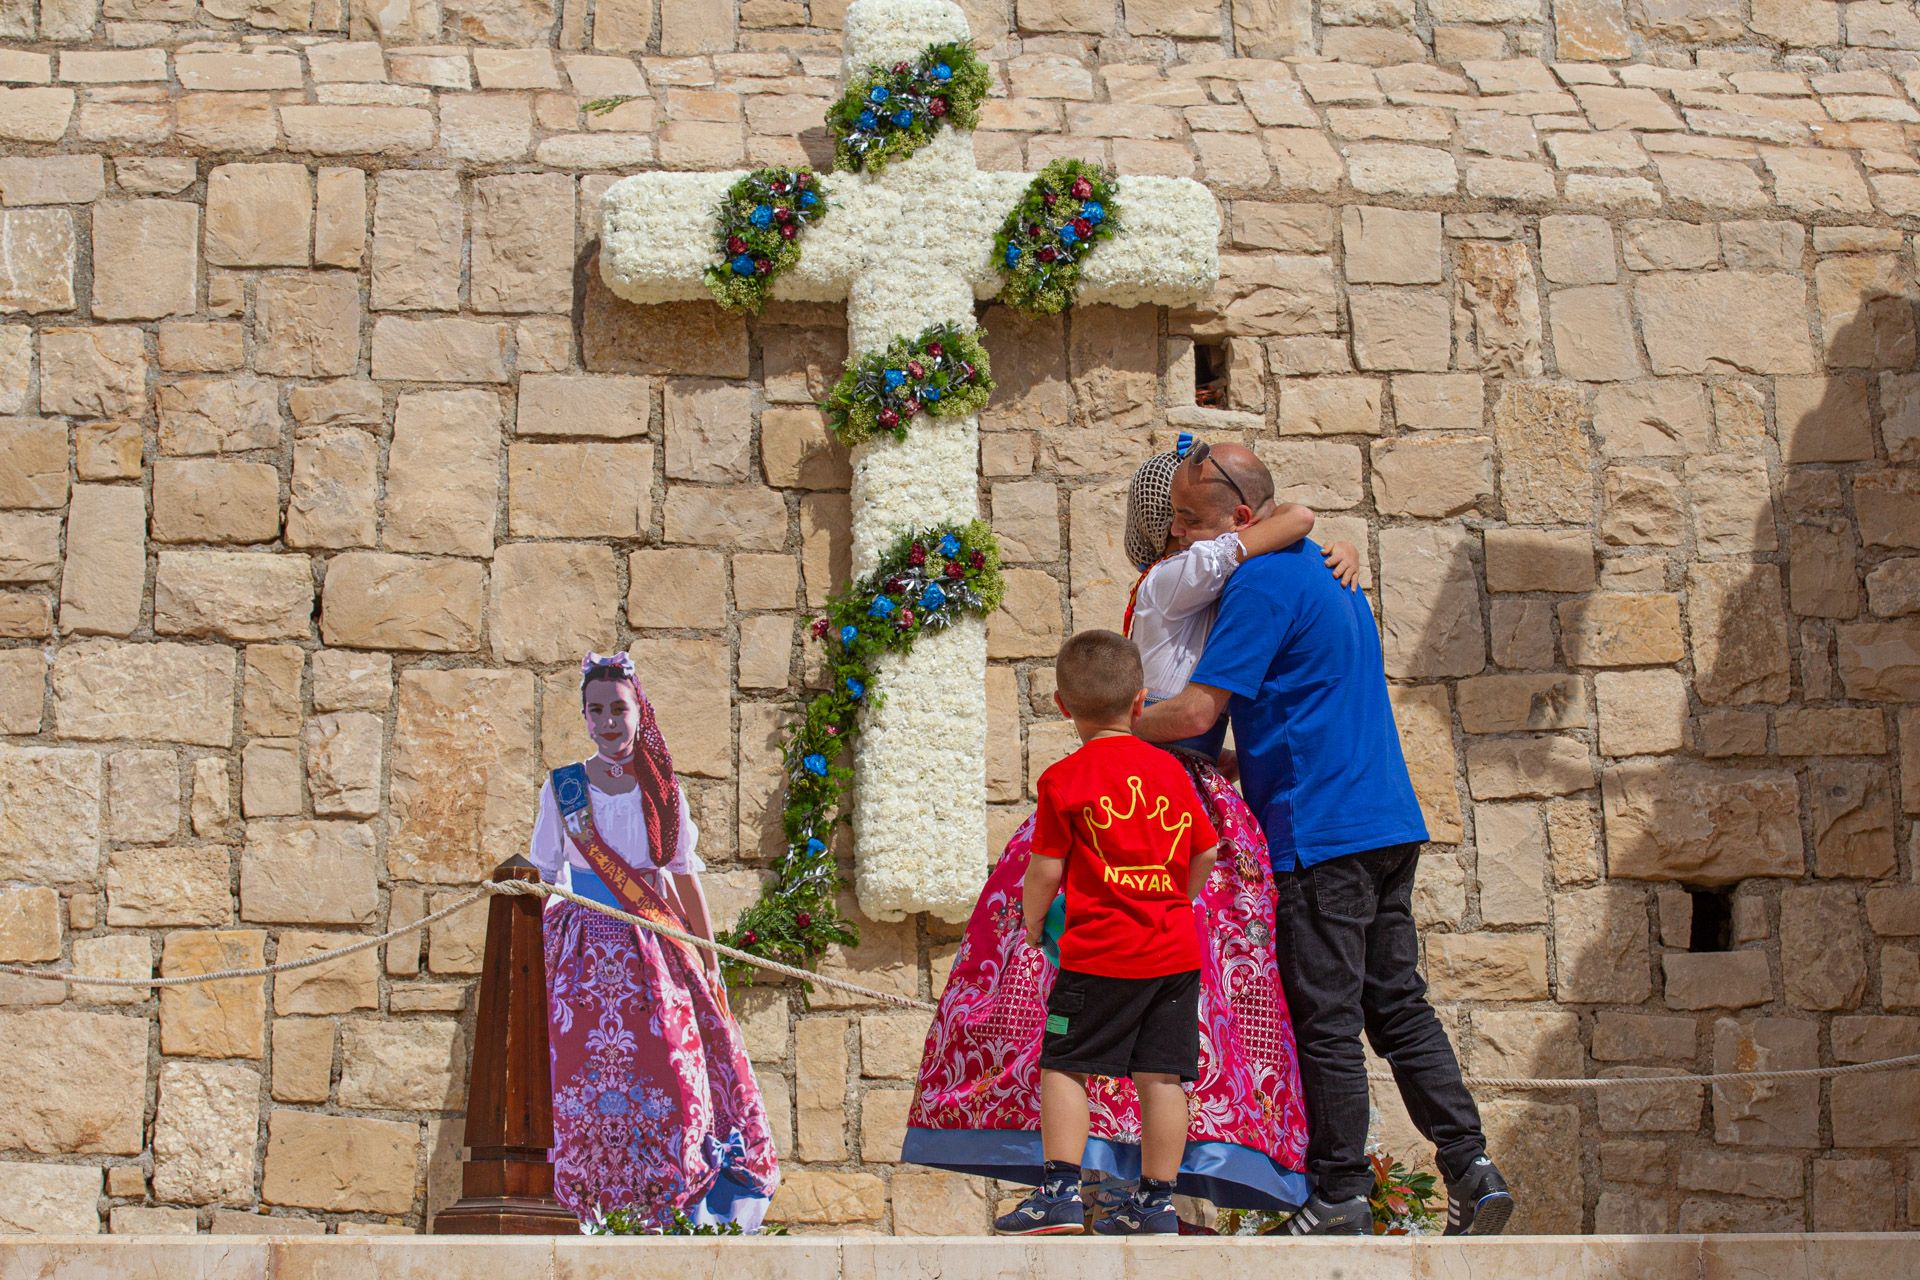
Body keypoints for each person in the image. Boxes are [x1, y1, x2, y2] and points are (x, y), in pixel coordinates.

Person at [903, 448, 1356, 1224]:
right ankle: (1126, 1187)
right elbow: (1270, 529)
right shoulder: (1177, 579)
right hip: (1170, 803)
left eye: (1192, 515)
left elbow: (1265, 545)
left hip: (1166, 793)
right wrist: (1309, 532)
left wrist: (1334, 553)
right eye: (1176, 518)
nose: (1188, 531)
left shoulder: (1216, 590)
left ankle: (1130, 1188)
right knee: (1169, 1025)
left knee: (1148, 1018)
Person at [1136, 443, 1514, 1237]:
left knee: (1327, 1020)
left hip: (1320, 832)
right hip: (1385, 818)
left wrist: (1114, 727)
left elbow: (1200, 713)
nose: (1181, 538)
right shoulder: (1326, 569)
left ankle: (1337, 1195)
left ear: (1242, 520)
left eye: (1190, 521)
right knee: (1400, 1007)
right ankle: (1472, 1168)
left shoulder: (1261, 581)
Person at [529, 651, 779, 1230]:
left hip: (652, 944)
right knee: (579, 1076)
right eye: (597, 711)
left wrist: (709, 957)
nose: (608, 721)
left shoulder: (662, 789)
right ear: (585, 716)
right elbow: (545, 873)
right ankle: (583, 1198)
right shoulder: (563, 786)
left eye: (619, 708)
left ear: (639, 710)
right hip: (583, 950)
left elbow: (681, 875)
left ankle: (677, 1193)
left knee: (671, 1066)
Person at [994, 629, 1219, 1236]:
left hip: (1098, 954)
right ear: (1141, 702)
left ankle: (1062, 1195)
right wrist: (1174, 899)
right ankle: (1157, 1205)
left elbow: (1045, 868)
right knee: (1163, 1077)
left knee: (1066, 1065)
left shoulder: (1065, 778)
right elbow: (1206, 849)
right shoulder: (1171, 771)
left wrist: (1034, 919)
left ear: (1064, 707)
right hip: (1173, 952)